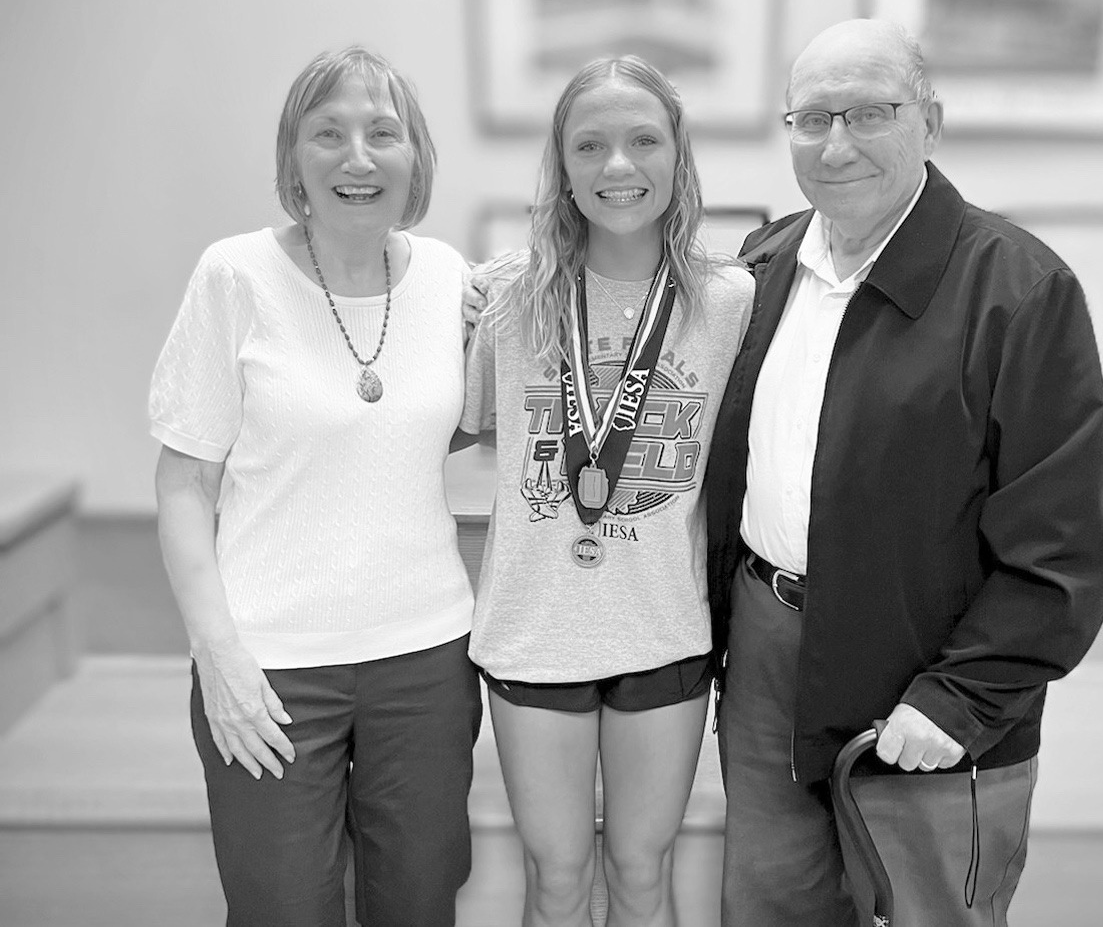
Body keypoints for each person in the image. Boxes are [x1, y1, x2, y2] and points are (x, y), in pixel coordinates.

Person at [705, 19, 1103, 926]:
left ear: (929, 121)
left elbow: (1067, 545)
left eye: (869, 113)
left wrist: (961, 696)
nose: (837, 143)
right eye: (812, 118)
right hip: (767, 656)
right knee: (768, 908)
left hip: (929, 678)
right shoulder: (762, 268)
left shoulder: (1021, 290)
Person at [150, 47, 481, 927]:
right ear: (293, 159)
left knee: (418, 906)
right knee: (282, 912)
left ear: (417, 158)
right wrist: (218, 658)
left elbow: (456, 426)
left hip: (426, 656)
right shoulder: (235, 276)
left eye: (383, 133)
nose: (357, 157)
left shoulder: (452, 280)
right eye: (326, 133)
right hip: (269, 667)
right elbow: (184, 483)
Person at [459, 56, 753, 927]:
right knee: (554, 877)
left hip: (662, 626)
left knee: (641, 870)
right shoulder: (507, 297)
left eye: (642, 141)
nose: (617, 166)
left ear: (678, 156)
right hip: (533, 628)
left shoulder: (730, 301)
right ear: (562, 166)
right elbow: (457, 425)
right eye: (590, 145)